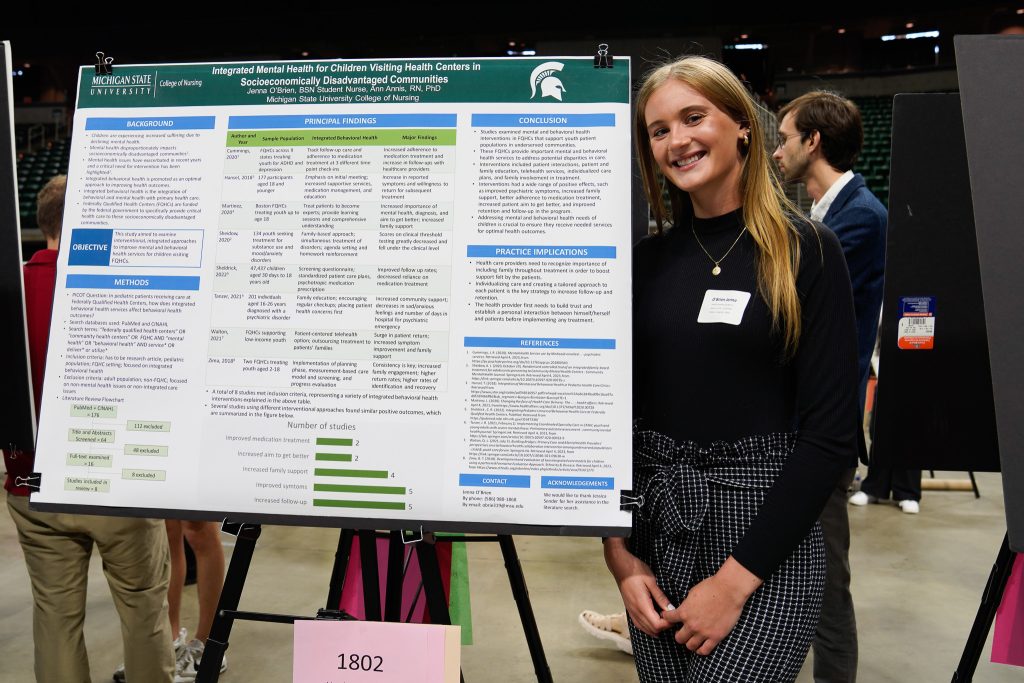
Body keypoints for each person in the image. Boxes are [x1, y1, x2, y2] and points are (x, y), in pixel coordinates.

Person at [605, 56, 861, 682]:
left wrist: (733, 583)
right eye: (659, 130)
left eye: (694, 118)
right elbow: (609, 424)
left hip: (765, 541)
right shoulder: (645, 263)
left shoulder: (808, 251)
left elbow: (830, 437)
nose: (677, 141)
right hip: (661, 530)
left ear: (743, 125)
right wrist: (622, 557)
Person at [4, 174, 175, 682]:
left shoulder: (11, 291)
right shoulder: (119, 288)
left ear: (43, 226)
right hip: (115, 482)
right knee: (144, 610)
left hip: (31, 483)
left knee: (54, 619)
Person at [774, 90, 888, 682]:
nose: (777, 152)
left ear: (813, 142)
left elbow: (794, 295)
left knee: (824, 575)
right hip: (795, 419)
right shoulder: (824, 214)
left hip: (823, 425)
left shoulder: (860, 217)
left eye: (786, 139)